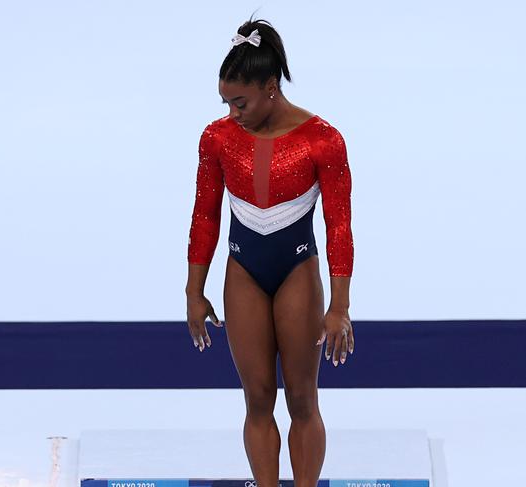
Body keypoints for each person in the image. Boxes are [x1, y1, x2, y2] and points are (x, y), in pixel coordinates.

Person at [185, 15, 355, 487]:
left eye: (240, 101)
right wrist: (193, 290)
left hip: (296, 267)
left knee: (302, 398)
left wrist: (339, 306)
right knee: (257, 398)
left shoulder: (323, 140)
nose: (232, 112)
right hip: (244, 269)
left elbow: (339, 225)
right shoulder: (216, 139)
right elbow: (205, 217)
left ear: (270, 86)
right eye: (225, 102)